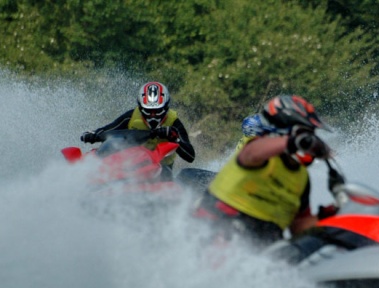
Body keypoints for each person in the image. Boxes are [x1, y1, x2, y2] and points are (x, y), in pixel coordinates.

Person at [196, 95, 331, 246]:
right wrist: (294, 141)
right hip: (215, 235)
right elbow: (253, 154)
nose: (311, 139)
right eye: (305, 133)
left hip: (261, 250)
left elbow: (300, 224)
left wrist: (327, 218)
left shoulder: (301, 177)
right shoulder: (255, 149)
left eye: (311, 134)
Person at [80, 81, 196, 180]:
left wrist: (175, 138)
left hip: (161, 168)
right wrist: (92, 135)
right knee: (111, 168)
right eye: (148, 111)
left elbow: (190, 156)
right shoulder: (131, 116)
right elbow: (109, 129)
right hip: (132, 163)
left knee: (165, 175)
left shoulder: (174, 122)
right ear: (141, 107)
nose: (153, 115)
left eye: (157, 111)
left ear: (165, 107)